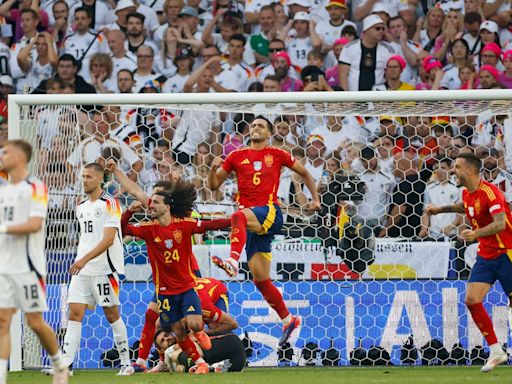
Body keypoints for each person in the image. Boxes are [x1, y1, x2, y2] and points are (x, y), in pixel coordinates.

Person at [208, 116, 321, 347]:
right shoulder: (236, 156)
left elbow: (306, 173)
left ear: (269, 133)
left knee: (237, 216)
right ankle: (289, 319)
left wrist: (315, 199)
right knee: (260, 280)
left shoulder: (277, 154)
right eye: (253, 125)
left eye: (261, 125)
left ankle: (232, 260)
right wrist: (212, 169)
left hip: (269, 212)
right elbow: (213, 185)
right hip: (251, 225)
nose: (256, 127)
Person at [120, 180, 231, 374]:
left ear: (167, 206)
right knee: (178, 331)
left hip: (187, 287)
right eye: (150, 201)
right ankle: (200, 363)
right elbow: (124, 229)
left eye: (155, 202)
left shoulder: (184, 225)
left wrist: (236, 220)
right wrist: (129, 212)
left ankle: (199, 332)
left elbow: (210, 225)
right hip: (164, 292)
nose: (150, 205)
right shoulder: (148, 228)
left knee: (195, 323)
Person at [425, 152, 510, 373]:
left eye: (457, 167)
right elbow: (465, 207)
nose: (453, 171)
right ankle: (496, 350)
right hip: (487, 255)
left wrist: (476, 233)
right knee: (472, 300)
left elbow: (500, 224)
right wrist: (439, 209)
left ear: (471, 170)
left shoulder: (491, 193)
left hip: (507, 252)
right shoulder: (468, 193)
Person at [54, 163, 133, 376]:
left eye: (88, 176)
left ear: (99, 179)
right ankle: (66, 365)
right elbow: (87, 238)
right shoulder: (80, 205)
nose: (84, 180)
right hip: (83, 269)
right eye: (83, 176)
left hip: (105, 269)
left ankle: (126, 363)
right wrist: (82, 260)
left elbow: (108, 240)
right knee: (74, 313)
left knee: (111, 314)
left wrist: (83, 260)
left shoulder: (111, 203)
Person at [0, 140, 69, 384]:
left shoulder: (36, 187)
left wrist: (3, 228)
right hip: (4, 267)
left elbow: (34, 224)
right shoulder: (3, 191)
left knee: (35, 322)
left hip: (28, 267)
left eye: (5, 151)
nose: (1, 155)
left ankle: (59, 363)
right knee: (2, 322)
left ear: (20, 156)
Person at [156, 331, 246, 373]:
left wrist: (169, 352)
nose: (167, 338)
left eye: (167, 335)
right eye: (163, 341)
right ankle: (212, 367)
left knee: (177, 356)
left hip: (231, 344)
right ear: (161, 350)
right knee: (179, 367)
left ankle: (209, 367)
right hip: (235, 364)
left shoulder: (185, 335)